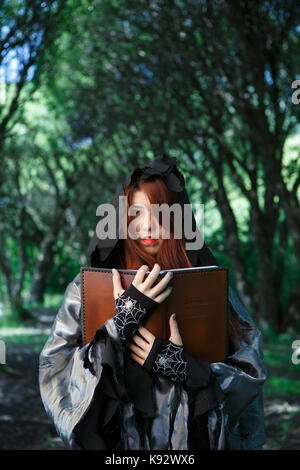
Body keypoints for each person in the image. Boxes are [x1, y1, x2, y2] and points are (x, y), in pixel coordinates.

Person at [39, 154, 267, 450]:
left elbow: (251, 373)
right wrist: (119, 325)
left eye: (160, 213)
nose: (147, 226)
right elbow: (54, 371)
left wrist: (186, 368)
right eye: (136, 213)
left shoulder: (211, 285)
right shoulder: (87, 288)